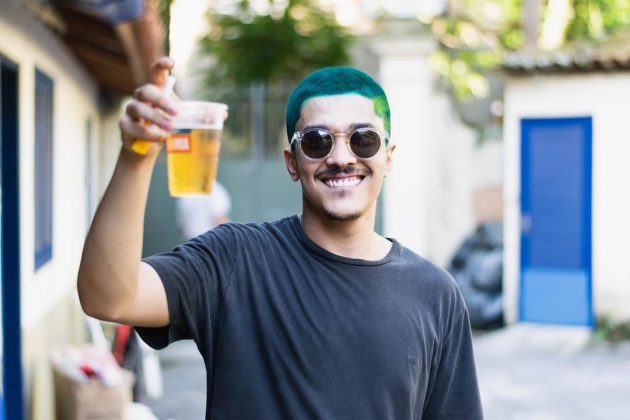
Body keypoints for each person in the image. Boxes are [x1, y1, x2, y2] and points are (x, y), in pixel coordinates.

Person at [78, 57, 483, 419]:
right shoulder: (234, 260)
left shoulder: (436, 294)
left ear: (388, 157)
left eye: (363, 139)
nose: (341, 158)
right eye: (317, 141)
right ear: (292, 163)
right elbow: (108, 296)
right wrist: (137, 156)